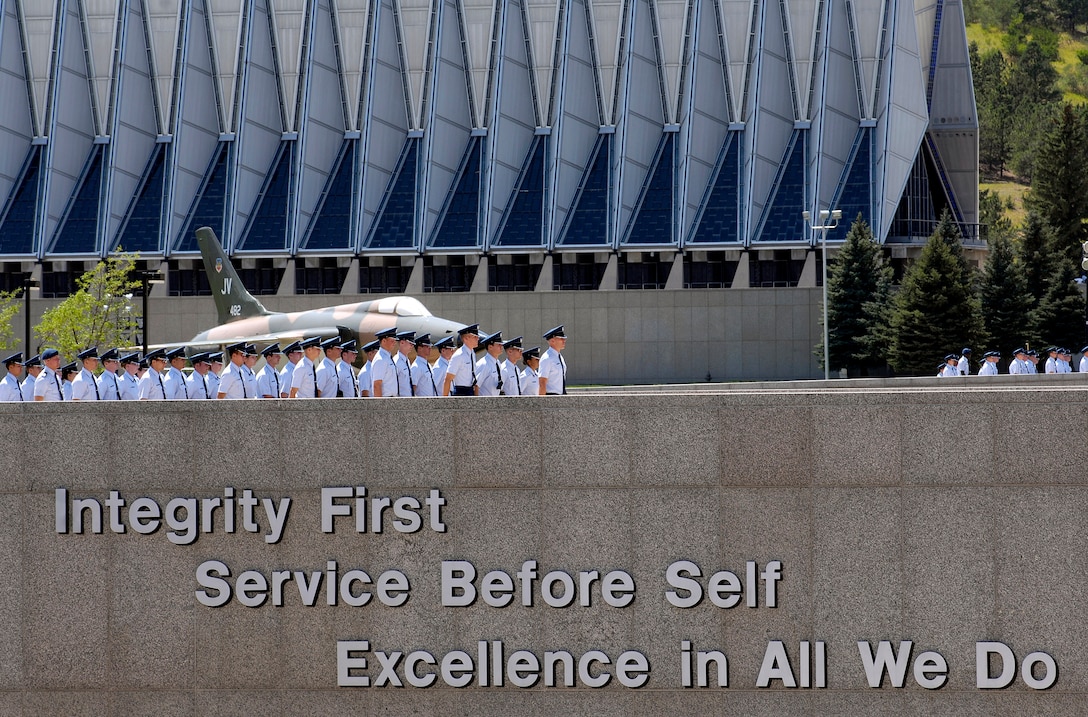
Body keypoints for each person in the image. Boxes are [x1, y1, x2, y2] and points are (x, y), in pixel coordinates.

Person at [443, 324, 480, 396]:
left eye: (477, 337)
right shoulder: (459, 355)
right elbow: (448, 379)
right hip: (461, 392)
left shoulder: (472, 353)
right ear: (466, 339)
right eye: (475, 337)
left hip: (471, 390)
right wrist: (445, 401)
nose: (477, 339)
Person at [370, 327, 400, 398]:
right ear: (384, 341)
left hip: (391, 399)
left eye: (395, 340)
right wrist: (380, 406)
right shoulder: (380, 359)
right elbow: (377, 385)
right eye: (392, 340)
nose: (394, 343)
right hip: (385, 400)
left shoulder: (387, 357)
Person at [538, 325, 568, 394]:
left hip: (561, 396)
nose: (564, 341)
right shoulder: (547, 358)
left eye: (564, 338)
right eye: (561, 338)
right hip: (551, 397)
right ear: (552, 340)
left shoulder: (559, 357)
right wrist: (542, 402)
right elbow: (542, 382)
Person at [475, 331, 504, 396]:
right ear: (490, 347)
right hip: (484, 402)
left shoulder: (497, 363)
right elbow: (476, 386)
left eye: (501, 345)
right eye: (499, 345)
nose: (501, 347)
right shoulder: (484, 364)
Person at [395, 330, 416, 397]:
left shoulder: (407, 360)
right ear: (402, 343)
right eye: (410, 343)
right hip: (401, 400)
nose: (412, 346)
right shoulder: (396, 362)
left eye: (413, 344)